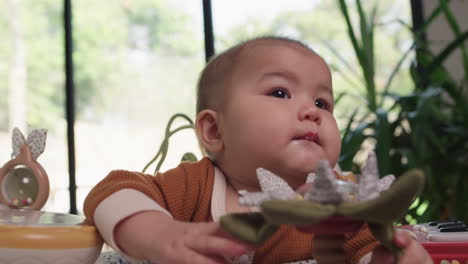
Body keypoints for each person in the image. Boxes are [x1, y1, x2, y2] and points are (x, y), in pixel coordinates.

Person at [84, 36, 432, 264]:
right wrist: (157, 233)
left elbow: (368, 247)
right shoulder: (197, 186)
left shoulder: (340, 204)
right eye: (280, 93)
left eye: (323, 102)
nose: (313, 111)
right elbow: (113, 191)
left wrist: (392, 256)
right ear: (215, 129)